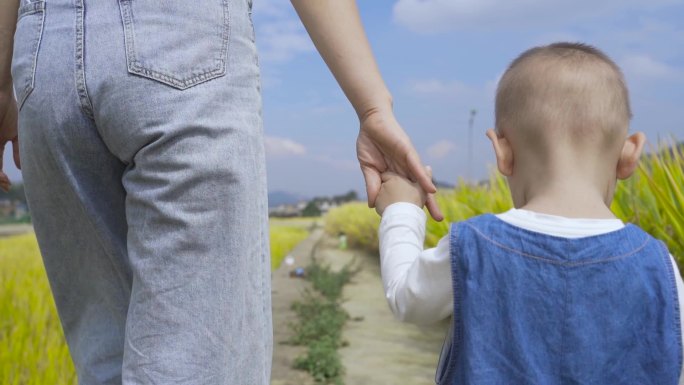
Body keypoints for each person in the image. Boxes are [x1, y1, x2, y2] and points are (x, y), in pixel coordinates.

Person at [0, 1, 441, 384]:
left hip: (42, 50)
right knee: (195, 366)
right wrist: (371, 105)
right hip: (181, 43)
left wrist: (3, 86)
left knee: (103, 361)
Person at [375, 42, 684, 384]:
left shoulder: (474, 248)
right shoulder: (660, 265)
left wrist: (401, 208)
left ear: (502, 152)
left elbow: (407, 299)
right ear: (630, 153)